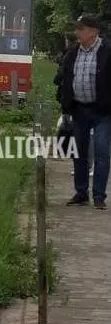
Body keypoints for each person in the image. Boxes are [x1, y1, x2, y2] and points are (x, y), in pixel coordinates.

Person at [55, 14, 111, 209]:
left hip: (103, 111)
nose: (77, 32)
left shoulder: (107, 51)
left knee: (102, 152)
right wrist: (65, 105)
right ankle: (81, 193)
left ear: (94, 31)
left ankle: (99, 196)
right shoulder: (72, 52)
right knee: (79, 152)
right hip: (79, 109)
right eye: (77, 29)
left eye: (82, 29)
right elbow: (64, 79)